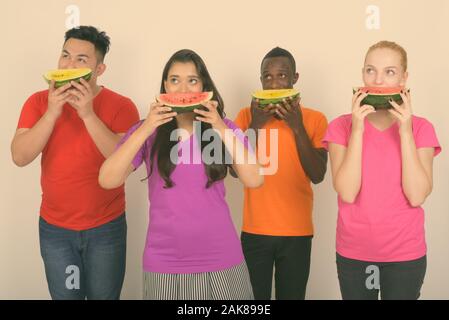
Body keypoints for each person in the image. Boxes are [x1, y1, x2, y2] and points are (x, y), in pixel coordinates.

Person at [99, 49, 262, 300]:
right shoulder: (147, 131)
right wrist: (146, 128)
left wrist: (218, 126)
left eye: (192, 80)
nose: (183, 89)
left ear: (203, 85)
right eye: (174, 80)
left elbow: (254, 179)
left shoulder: (224, 127)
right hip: (164, 260)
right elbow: (107, 179)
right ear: (164, 85)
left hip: (221, 255)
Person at [11, 26, 140, 300]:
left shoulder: (122, 106)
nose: (69, 65)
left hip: (106, 229)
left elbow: (124, 161)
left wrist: (88, 115)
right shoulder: (37, 102)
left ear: (100, 69)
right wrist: (51, 113)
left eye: (81, 60)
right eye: (65, 55)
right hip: (56, 231)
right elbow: (19, 157)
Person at [322, 41, 441, 300]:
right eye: (370, 70)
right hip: (353, 254)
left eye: (389, 72)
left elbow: (417, 195)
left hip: (405, 256)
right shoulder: (340, 127)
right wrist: (358, 128)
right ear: (362, 73)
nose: (378, 80)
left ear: (404, 77)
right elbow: (347, 191)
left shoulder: (422, 129)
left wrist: (405, 131)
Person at [234, 47, 328, 300]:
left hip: (297, 232)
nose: (274, 83)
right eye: (267, 77)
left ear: (295, 78)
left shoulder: (315, 119)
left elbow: (318, 174)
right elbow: (234, 172)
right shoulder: (245, 116)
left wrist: (296, 127)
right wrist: (255, 124)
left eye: (282, 76)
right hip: (254, 231)